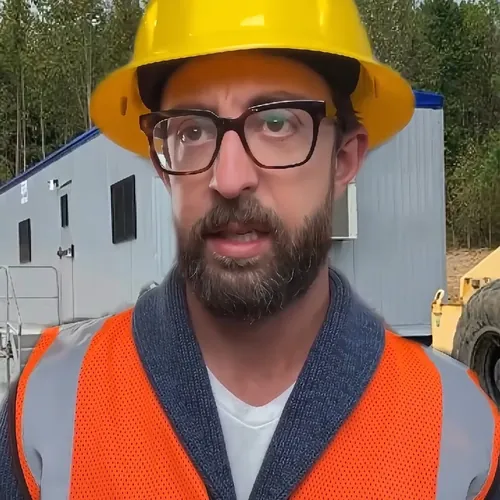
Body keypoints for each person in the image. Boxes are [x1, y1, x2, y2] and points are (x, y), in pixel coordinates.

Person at [1, 0, 500, 499]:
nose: (230, 177)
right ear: (161, 166)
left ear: (343, 160)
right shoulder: (51, 402)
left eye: (277, 123)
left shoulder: (458, 428)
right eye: (192, 131)